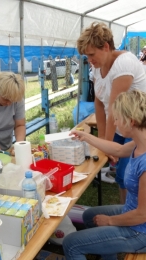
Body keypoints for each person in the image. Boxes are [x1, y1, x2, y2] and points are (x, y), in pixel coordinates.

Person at [63, 89, 146, 259]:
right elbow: (118, 149)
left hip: (140, 232)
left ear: (131, 121)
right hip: (132, 213)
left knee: (71, 244)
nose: (114, 122)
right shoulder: (139, 142)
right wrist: (85, 136)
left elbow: (141, 214)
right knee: (89, 216)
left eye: (117, 118)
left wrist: (110, 221)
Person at [77, 22, 146, 203]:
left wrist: (106, 143)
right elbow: (99, 104)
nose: (89, 59)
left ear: (106, 47)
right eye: (86, 56)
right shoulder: (97, 67)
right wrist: (102, 139)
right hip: (121, 124)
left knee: (125, 174)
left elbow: (114, 108)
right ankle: (127, 209)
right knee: (119, 173)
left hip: (137, 126)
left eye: (91, 54)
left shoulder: (124, 64)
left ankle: (133, 215)